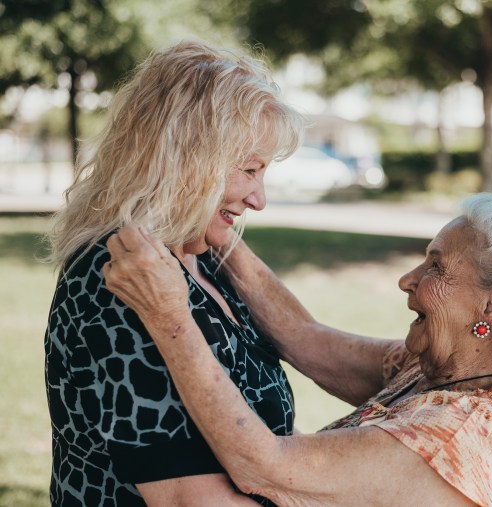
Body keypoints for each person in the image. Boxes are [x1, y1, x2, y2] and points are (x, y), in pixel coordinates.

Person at [104, 192, 492, 507]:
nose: (408, 281)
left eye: (436, 269)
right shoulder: (436, 371)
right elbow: (303, 336)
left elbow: (264, 464)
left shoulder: (458, 434)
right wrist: (218, 229)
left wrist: (167, 314)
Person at [43, 39, 305, 505]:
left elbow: (270, 426)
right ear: (187, 161)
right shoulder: (122, 277)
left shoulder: (204, 262)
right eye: (249, 169)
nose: (258, 199)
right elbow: (188, 497)